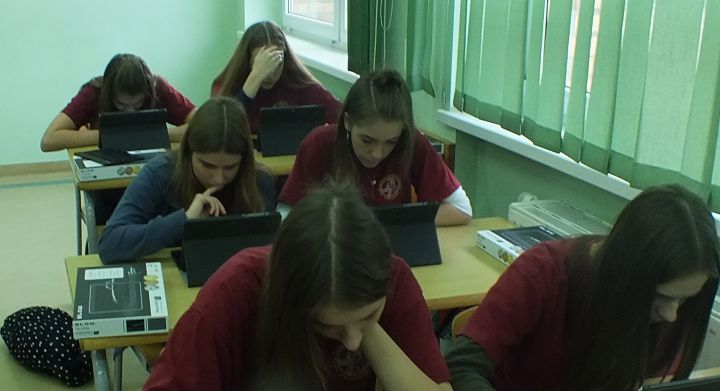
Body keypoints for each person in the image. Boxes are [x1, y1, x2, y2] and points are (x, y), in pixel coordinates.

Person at [122, 182, 460, 391]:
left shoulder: (392, 279)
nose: (353, 343)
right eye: (329, 326)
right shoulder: (234, 291)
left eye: (370, 315)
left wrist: (367, 322)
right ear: (292, 302)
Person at [445, 185, 720, 391]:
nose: (672, 315)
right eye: (661, 298)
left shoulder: (680, 301)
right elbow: (458, 373)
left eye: (684, 300)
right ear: (627, 275)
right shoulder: (543, 272)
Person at [278, 69, 472, 226]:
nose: (378, 154)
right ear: (348, 122)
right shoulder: (319, 144)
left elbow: (462, 208)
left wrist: (393, 222)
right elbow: (285, 217)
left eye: (391, 142)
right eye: (367, 140)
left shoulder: (412, 142)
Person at [97, 97, 275, 264]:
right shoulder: (160, 172)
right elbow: (109, 244)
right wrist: (185, 219)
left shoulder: (259, 180)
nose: (218, 178)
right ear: (189, 153)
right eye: (207, 165)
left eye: (230, 167)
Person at [40, 53, 196, 152]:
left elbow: (203, 125)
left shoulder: (158, 88)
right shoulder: (94, 92)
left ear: (147, 92)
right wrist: (111, 136)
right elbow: (49, 140)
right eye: (121, 105)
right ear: (109, 94)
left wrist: (156, 135)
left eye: (137, 104)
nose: (130, 111)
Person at [212, 20, 342, 132]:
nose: (270, 74)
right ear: (247, 61)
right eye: (262, 64)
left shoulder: (296, 82)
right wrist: (255, 77)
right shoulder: (225, 84)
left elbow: (341, 114)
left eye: (276, 64)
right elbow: (222, 128)